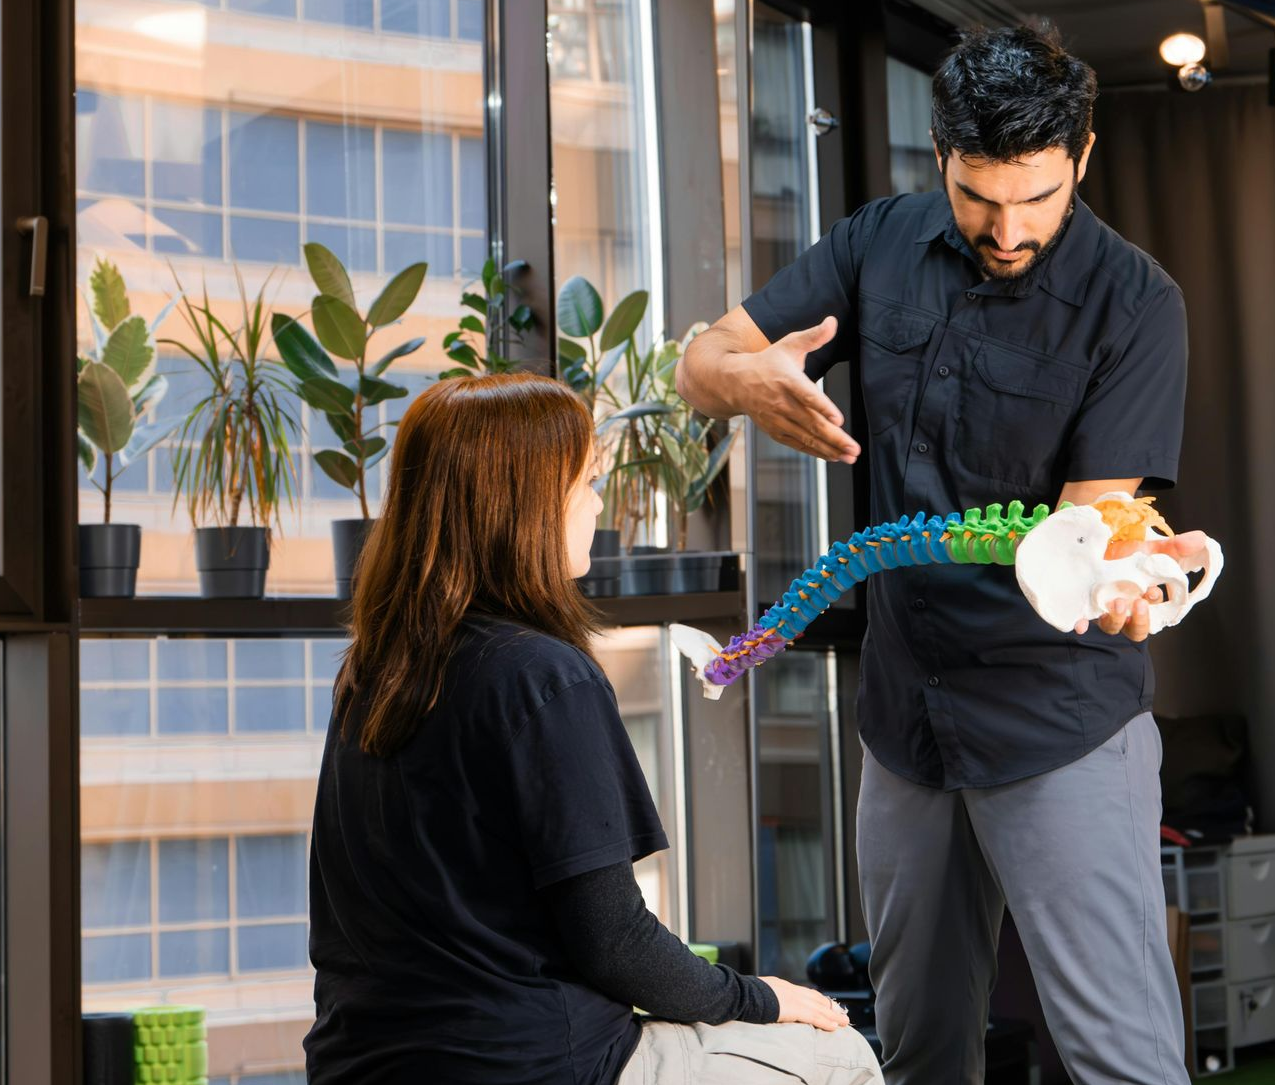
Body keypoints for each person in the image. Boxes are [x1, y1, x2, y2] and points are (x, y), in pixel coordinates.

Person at [675, 23, 1201, 1085]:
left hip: (1057, 724)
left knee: (1120, 1062)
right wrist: (748, 384)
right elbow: (700, 355)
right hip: (907, 729)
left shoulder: (1136, 304)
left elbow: (1088, 533)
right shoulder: (877, 242)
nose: (1007, 230)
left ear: (1083, 157)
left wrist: (1118, 586)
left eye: (1037, 199)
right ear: (940, 156)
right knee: (916, 1055)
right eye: (979, 196)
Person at [304, 373, 883, 1085]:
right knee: (843, 1058)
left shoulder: (369, 675)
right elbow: (615, 942)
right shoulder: (544, 677)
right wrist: (762, 997)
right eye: (586, 483)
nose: (599, 503)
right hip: (533, 1065)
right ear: (525, 507)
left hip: (361, 1066)